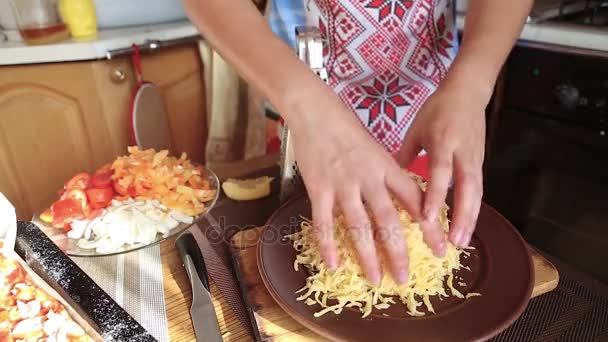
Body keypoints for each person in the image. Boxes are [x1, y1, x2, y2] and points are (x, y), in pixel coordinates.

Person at [183, 0, 532, 285]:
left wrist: (472, 84)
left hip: (432, 112)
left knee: (425, 230)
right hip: (304, 112)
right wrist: (308, 109)